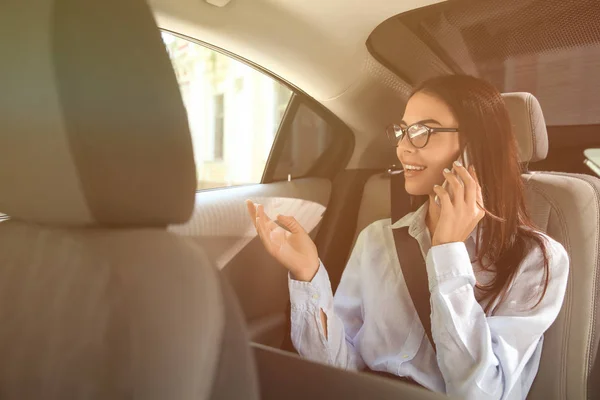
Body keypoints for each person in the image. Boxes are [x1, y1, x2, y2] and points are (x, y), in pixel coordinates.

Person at [246, 75, 569, 400]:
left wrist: (448, 254)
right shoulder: (376, 239)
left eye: (422, 132)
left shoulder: (537, 259)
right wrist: (308, 275)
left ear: (474, 146)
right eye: (402, 131)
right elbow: (336, 370)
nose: (402, 147)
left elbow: (480, 393)